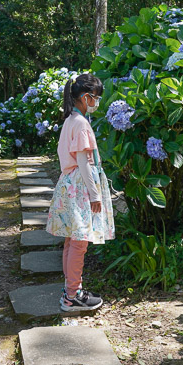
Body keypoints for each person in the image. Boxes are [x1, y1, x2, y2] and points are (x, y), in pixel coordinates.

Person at [46, 73, 115, 312]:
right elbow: (85, 162)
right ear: (86, 98)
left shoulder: (69, 121)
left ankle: (70, 291)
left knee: (71, 240)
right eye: (95, 98)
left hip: (68, 183)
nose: (97, 103)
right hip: (80, 187)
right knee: (79, 242)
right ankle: (73, 296)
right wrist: (95, 195)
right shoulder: (82, 124)